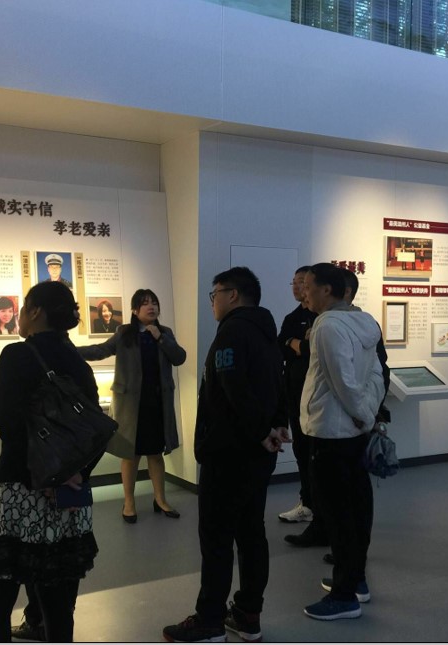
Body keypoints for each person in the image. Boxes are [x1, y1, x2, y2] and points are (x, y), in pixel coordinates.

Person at [0, 281, 101, 643]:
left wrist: (41, 474)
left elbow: (9, 424)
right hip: (67, 497)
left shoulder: (17, 355)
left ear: (36, 311)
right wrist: (72, 474)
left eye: (24, 307)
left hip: (19, 491)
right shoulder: (78, 362)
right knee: (58, 607)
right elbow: (95, 430)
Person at [163, 267, 287, 643]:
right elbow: (277, 381)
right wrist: (276, 425)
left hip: (228, 453)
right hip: (257, 453)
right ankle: (248, 614)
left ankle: (210, 620)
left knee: (217, 538)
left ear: (232, 295)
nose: (212, 302)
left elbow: (233, 387)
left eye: (214, 294)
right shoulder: (266, 330)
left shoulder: (233, 330)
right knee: (251, 533)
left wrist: (261, 430)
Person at [299, 263, 385, 621]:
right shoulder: (366, 323)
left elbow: (342, 381)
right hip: (353, 431)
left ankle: (344, 595)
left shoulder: (328, 325)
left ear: (327, 290)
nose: (303, 292)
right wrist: (367, 414)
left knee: (338, 515)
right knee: (357, 507)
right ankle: (355, 581)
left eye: (308, 286)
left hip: (331, 432)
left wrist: (360, 413)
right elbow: (376, 374)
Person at [78, 289, 186, 523]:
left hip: (157, 404)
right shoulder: (124, 333)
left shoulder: (165, 332)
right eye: (145, 303)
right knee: (131, 454)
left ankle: (160, 499)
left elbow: (179, 357)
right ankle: (129, 502)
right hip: (130, 405)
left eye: (154, 302)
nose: (151, 307)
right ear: (135, 310)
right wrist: (72, 351)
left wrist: (160, 337)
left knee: (156, 453)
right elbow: (101, 350)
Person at [277, 266, 318, 526]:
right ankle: (308, 503)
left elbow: (312, 349)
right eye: (293, 282)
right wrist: (295, 344)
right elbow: (280, 346)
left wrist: (297, 344)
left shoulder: (323, 317)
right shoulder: (292, 317)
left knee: (319, 454)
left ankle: (322, 508)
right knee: (302, 451)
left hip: (317, 397)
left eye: (301, 282)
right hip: (294, 394)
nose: (296, 286)